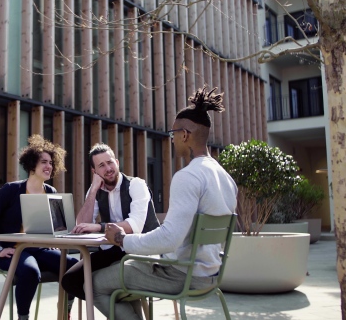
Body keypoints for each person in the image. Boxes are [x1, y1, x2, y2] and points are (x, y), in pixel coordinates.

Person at [93, 85, 238, 320]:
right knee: (126, 271)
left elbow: (170, 239)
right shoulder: (226, 178)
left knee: (96, 284)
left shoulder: (188, 176)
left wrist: (121, 239)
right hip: (210, 273)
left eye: (172, 135)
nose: (171, 140)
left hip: (182, 276)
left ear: (185, 134)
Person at [0, 135, 79, 320]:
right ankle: (23, 317)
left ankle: (65, 309)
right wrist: (0, 248)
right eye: (44, 162)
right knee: (31, 271)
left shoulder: (51, 193)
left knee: (74, 266)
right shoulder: (11, 190)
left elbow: (58, 228)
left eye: (51, 162)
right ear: (32, 164)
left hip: (39, 249)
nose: (49, 166)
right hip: (13, 251)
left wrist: (54, 240)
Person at [60, 143, 160, 301]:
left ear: (117, 163)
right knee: (70, 280)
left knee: (98, 284)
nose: (108, 168)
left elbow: (134, 226)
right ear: (95, 172)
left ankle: (120, 309)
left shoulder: (136, 185)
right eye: (101, 165)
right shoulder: (96, 190)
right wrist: (93, 190)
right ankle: (119, 309)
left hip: (140, 249)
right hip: (113, 251)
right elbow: (81, 225)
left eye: (110, 162)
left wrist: (99, 226)